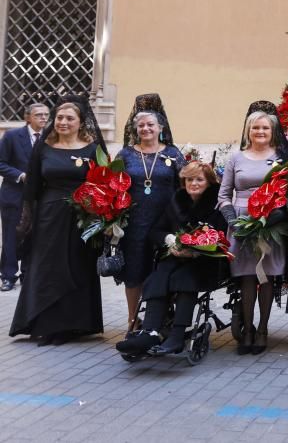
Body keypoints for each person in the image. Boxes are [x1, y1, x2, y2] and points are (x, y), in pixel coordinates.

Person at [9, 96, 105, 345]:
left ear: (81, 122)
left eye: (69, 118)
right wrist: (26, 221)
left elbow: (105, 183)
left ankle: (73, 325)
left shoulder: (92, 148)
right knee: (48, 268)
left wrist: (99, 216)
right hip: (49, 217)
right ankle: (45, 324)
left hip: (82, 218)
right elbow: (32, 186)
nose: (63, 122)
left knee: (77, 266)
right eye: (60, 117)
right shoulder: (44, 147)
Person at [114, 161, 226, 356]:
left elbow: (221, 237)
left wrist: (196, 250)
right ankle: (150, 332)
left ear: (209, 182)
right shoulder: (176, 202)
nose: (194, 183)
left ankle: (176, 336)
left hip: (204, 261)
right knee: (158, 276)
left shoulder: (217, 205)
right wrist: (171, 240)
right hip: (174, 257)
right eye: (189, 179)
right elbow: (155, 231)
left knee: (184, 278)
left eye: (199, 179)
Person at [219, 101, 288, 355]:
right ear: (248, 131)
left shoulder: (281, 159)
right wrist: (231, 218)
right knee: (247, 277)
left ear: (272, 131)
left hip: (269, 223)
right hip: (241, 222)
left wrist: (277, 214)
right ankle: (248, 329)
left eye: (264, 128)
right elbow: (223, 195)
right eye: (255, 128)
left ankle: (263, 328)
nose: (260, 132)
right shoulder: (236, 158)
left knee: (267, 276)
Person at [116, 94, 184, 332]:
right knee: (134, 273)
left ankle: (162, 319)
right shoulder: (125, 155)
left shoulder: (173, 154)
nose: (145, 128)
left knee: (163, 272)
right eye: (141, 125)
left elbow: (185, 185)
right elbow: (113, 186)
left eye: (150, 125)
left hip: (166, 223)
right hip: (134, 224)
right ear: (135, 129)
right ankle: (133, 321)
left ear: (160, 128)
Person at [0, 102, 48, 291]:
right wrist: (20, 175)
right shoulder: (12, 136)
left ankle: (27, 273)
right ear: (27, 117)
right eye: (38, 115)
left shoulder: (51, 138)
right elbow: (1, 163)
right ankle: (8, 275)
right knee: (12, 236)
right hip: (14, 195)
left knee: (33, 236)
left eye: (46, 115)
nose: (43, 118)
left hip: (39, 196)